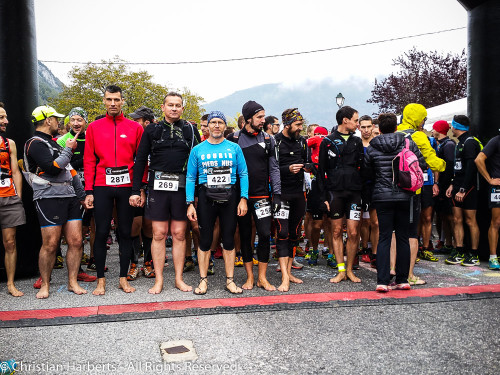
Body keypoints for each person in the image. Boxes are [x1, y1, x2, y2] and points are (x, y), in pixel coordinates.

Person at [130, 93, 200, 293]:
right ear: (163, 107)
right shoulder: (152, 129)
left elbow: (196, 161)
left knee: (179, 233)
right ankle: (159, 280)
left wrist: (194, 194)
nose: (174, 108)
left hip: (182, 188)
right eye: (171, 105)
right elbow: (141, 160)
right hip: (157, 188)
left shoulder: (190, 130)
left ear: (182, 108)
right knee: (159, 234)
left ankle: (178, 279)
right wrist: (137, 190)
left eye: (178, 105)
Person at [84, 85, 144, 295]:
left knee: (125, 233)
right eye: (109, 99)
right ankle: (101, 280)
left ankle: (122, 279)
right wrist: (88, 191)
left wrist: (140, 188)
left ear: (122, 101)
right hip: (102, 185)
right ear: (104, 100)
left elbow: (141, 161)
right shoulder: (94, 127)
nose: (112, 104)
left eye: (116, 100)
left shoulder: (135, 128)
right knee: (100, 232)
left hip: (127, 187)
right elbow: (89, 160)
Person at [24, 105, 88, 299]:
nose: (58, 122)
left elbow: (71, 171)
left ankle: (72, 282)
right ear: (47, 120)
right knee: (51, 244)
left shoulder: (54, 143)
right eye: (56, 119)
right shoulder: (34, 143)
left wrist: (82, 196)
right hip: (48, 198)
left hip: (70, 197)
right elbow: (53, 168)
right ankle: (45, 284)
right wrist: (69, 150)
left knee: (76, 241)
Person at [186, 111, 248, 295]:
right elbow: (190, 177)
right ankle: (203, 280)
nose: (216, 126)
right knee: (205, 240)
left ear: (224, 125)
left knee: (228, 239)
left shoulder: (234, 148)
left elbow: (243, 174)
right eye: (213, 122)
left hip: (230, 195)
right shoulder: (197, 150)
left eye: (220, 122)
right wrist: (190, 202)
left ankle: (230, 280)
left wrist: (243, 198)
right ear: (208, 125)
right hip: (206, 196)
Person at [364, 113, 426, 291]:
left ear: (380, 129)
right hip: (405, 195)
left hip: (382, 197)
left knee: (384, 237)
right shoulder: (407, 143)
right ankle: (402, 279)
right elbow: (421, 165)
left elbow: (367, 174)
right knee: (403, 237)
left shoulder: (373, 147)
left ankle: (382, 281)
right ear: (396, 127)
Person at [227, 100, 281, 291]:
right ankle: (250, 277)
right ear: (248, 118)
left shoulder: (268, 139)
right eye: (259, 117)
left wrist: (277, 194)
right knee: (244, 235)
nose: (263, 120)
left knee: (265, 234)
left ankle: (263, 278)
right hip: (241, 196)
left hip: (261, 196)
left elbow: (274, 169)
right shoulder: (233, 139)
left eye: (263, 116)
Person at [397, 103, 445, 286]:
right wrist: (444, 165)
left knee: (393, 231)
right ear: (418, 118)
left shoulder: (394, 132)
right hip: (413, 189)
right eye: (423, 118)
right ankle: (409, 274)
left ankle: (392, 269)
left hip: (392, 188)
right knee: (411, 232)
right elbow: (433, 161)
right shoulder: (418, 136)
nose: (424, 122)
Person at [318, 106, 364, 283]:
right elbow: (321, 172)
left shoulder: (356, 141)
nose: (357, 124)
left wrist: (364, 196)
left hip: (354, 192)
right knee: (336, 231)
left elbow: (363, 168)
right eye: (355, 120)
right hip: (334, 192)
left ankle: (351, 270)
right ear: (345, 120)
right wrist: (323, 197)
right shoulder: (327, 141)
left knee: (353, 233)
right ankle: (341, 270)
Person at [274, 108, 309, 291]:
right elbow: (270, 170)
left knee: (295, 234)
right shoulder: (276, 142)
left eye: (301, 124)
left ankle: (289, 272)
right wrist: (288, 169)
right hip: (281, 194)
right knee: (282, 232)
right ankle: (284, 277)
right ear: (287, 124)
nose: (300, 128)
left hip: (298, 193)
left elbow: (308, 162)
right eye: (297, 125)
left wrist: (309, 168)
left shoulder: (302, 142)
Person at [445, 115, 481, 267]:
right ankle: (459, 249)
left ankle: (474, 254)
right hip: (457, 185)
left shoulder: (470, 142)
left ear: (456, 126)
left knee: (470, 220)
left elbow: (471, 169)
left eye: (451, 125)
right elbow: (458, 169)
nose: (450, 128)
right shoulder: (459, 143)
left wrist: (463, 189)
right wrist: (452, 184)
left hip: (469, 187)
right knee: (456, 219)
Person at [126, 105, 155, 281]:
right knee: (134, 226)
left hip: (154, 187)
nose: (133, 122)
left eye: (137, 119)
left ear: (147, 122)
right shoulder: (133, 136)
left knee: (149, 227)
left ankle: (148, 262)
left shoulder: (156, 137)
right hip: (135, 186)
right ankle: (134, 263)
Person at [0, 102, 26, 296]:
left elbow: (16, 171)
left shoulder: (10, 143)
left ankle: (10, 284)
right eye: (1, 117)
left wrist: (18, 196)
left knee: (10, 242)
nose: (6, 121)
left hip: (9, 198)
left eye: (5, 117)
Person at [475, 133, 500, 270]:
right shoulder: (496, 140)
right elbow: (479, 159)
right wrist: (489, 179)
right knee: (496, 222)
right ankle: (493, 257)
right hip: (497, 188)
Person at [431, 120, 456, 254]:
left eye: (434, 129)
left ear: (439, 130)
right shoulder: (442, 145)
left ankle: (455, 245)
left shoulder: (449, 145)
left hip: (446, 187)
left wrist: (447, 184)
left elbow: (450, 166)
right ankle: (447, 243)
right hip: (442, 185)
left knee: (450, 216)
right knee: (443, 215)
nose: (432, 131)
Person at [358, 115, 379, 268]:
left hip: (375, 186)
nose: (366, 130)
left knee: (376, 222)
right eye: (363, 127)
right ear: (359, 127)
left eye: (368, 127)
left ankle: (375, 253)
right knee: (363, 221)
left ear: (373, 127)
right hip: (359, 187)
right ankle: (364, 248)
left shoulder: (378, 143)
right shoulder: (356, 144)